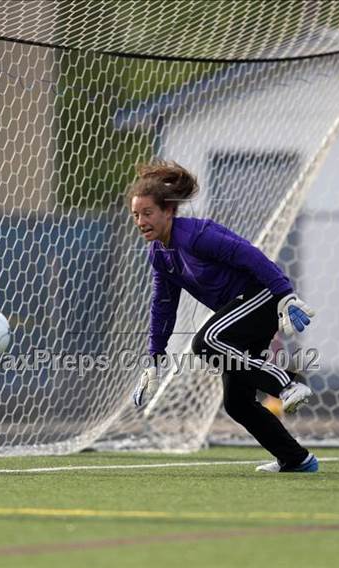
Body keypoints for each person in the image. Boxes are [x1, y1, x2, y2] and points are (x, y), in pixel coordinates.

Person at [128, 160, 318, 473]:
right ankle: (296, 459)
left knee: (206, 342)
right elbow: (162, 305)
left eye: (147, 212)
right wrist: (155, 358)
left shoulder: (196, 236)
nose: (140, 220)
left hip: (262, 298)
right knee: (237, 403)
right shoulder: (159, 254)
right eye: (135, 214)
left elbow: (249, 254)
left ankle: (287, 384)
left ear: (168, 211)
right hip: (241, 316)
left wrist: (285, 294)